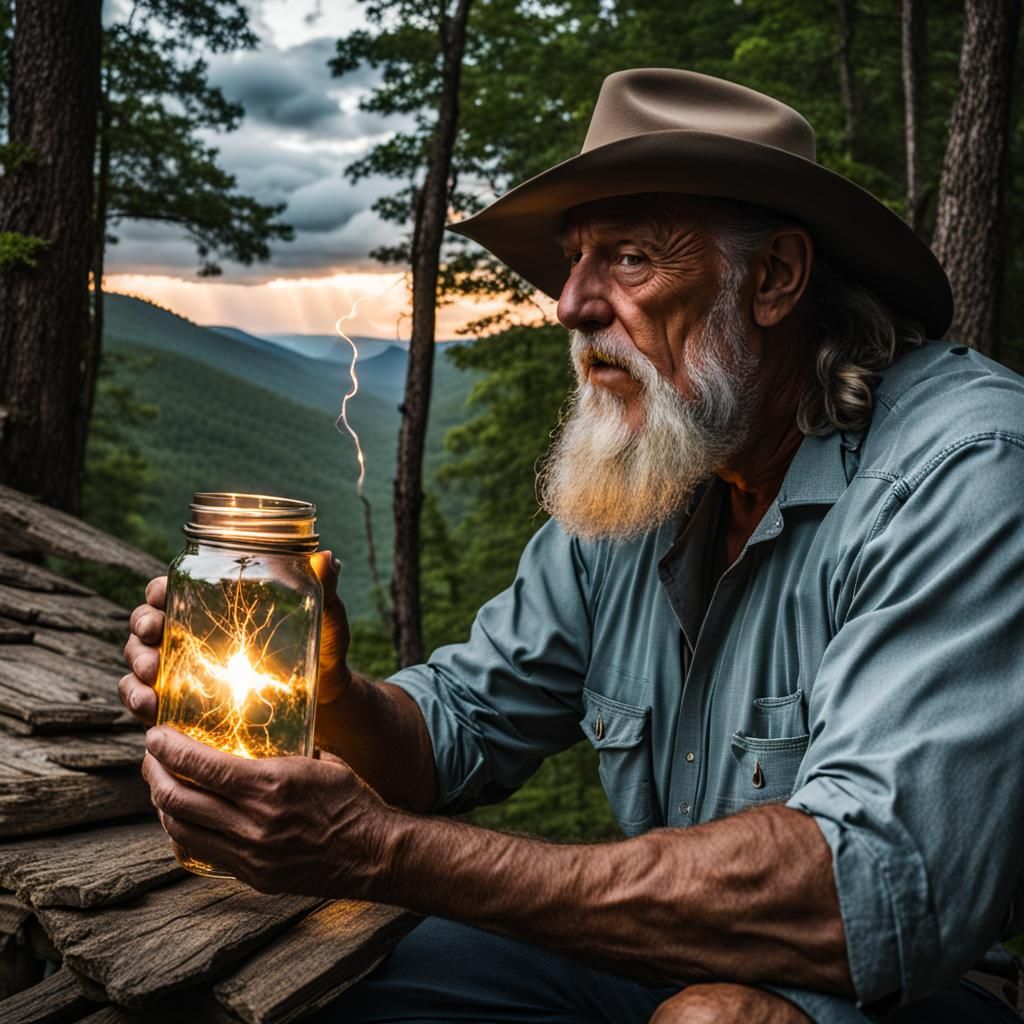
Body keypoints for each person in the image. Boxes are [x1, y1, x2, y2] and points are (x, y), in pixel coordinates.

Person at [119, 70, 1024, 1023]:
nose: (571, 304)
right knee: (326, 977)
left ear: (775, 279)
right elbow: (457, 728)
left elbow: (868, 891)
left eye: (628, 258)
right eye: (573, 261)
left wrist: (382, 851)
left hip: (910, 988)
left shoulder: (966, 470)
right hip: (658, 956)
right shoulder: (660, 467)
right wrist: (329, 696)